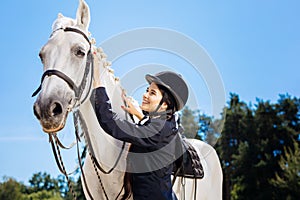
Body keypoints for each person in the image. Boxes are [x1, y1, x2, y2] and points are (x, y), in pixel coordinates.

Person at [93, 69, 189, 200]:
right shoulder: (165, 125)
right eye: (147, 90)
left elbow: (110, 123)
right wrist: (140, 115)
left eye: (152, 93)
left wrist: (99, 87)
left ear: (165, 104)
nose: (145, 95)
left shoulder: (159, 130)